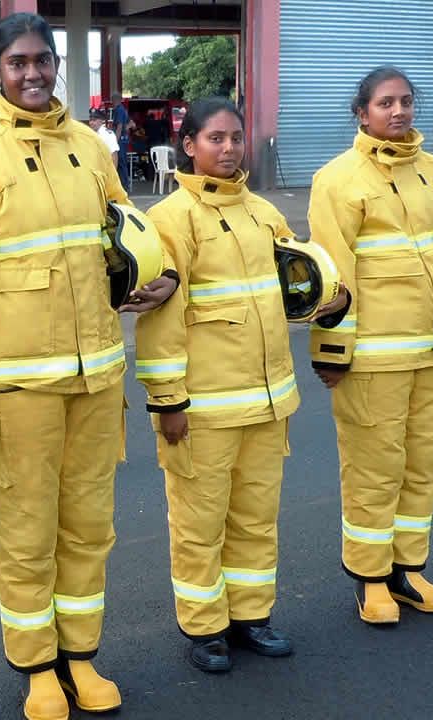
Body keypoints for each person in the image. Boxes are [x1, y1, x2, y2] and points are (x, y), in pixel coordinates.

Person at [0, 13, 178, 720]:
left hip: (98, 378)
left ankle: (82, 657)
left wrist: (163, 276)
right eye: (18, 63)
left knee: (89, 529)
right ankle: (37, 666)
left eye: (43, 60)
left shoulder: (90, 149)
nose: (33, 73)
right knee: (26, 531)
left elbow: (132, 228)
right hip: (14, 388)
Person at [134, 97, 348, 674]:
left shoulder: (263, 214)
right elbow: (161, 322)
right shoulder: (170, 220)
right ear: (189, 145)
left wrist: (333, 300)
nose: (228, 149)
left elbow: (299, 283)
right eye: (215, 139)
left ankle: (251, 616)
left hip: (269, 401)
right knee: (200, 524)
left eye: (235, 138)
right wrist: (167, 401)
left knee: (256, 518)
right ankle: (205, 629)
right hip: (202, 409)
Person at [307, 67, 433, 625]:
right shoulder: (338, 180)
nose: (398, 112)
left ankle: (409, 570)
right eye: (385, 103)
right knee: (374, 471)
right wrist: (331, 353)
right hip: (372, 361)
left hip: (432, 355)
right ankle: (371, 579)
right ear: (362, 113)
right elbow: (331, 274)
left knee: (421, 468)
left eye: (405, 102)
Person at [109, 92, 135, 192]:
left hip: (120, 140)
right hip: (124, 139)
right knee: (122, 163)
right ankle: (125, 186)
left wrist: (115, 140)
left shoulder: (119, 110)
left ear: (115, 100)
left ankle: (124, 187)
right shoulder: (123, 110)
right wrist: (127, 127)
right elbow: (132, 123)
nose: (111, 102)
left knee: (120, 163)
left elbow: (119, 126)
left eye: (112, 100)